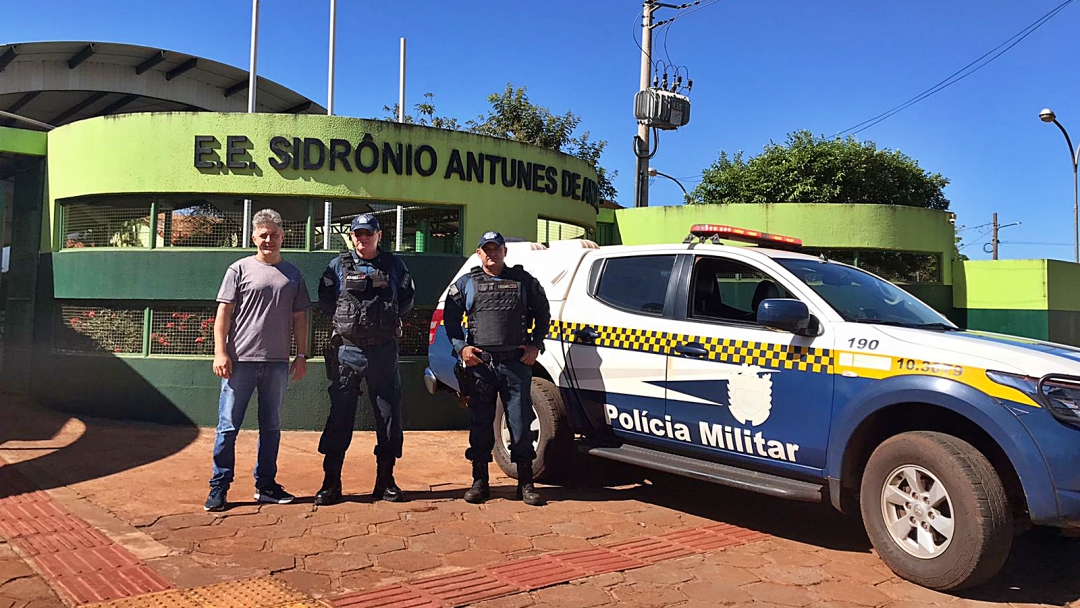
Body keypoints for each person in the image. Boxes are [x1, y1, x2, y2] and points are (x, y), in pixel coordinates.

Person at [205, 209, 310, 512]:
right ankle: (219, 487)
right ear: (254, 237)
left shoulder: (293, 274)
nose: (269, 239)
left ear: (282, 237)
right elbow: (223, 314)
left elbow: (300, 317)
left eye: (274, 234)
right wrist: (220, 352)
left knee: (271, 427)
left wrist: (301, 355)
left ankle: (265, 485)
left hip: (277, 363)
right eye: (263, 234)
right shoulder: (238, 269)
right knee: (227, 427)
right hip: (239, 362)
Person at [444, 231, 551, 506]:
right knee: (481, 424)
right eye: (486, 249)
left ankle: (526, 483)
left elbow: (543, 313)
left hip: (516, 364)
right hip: (482, 365)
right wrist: (461, 348)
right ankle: (480, 481)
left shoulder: (523, 281)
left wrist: (535, 345)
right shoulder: (467, 283)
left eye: (496, 249)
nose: (491, 254)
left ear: (505, 251)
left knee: (520, 423)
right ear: (479, 253)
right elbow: (451, 318)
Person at [314, 213, 415, 505]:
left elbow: (406, 301)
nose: (363, 238)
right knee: (339, 418)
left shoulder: (395, 265)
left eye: (368, 233)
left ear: (379, 235)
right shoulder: (337, 265)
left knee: (388, 417)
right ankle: (331, 483)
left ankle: (386, 482)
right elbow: (326, 300)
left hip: (384, 351)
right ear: (352, 236)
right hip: (348, 351)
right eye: (357, 234)